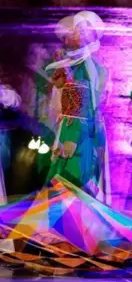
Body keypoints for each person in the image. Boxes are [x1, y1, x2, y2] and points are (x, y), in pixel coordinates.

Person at [44, 11, 110, 201]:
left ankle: (74, 227)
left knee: (73, 181)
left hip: (80, 129)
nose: (72, 36)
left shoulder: (88, 65)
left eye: (79, 31)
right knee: (64, 181)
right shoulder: (73, 63)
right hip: (72, 125)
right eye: (72, 32)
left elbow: (84, 100)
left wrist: (71, 137)